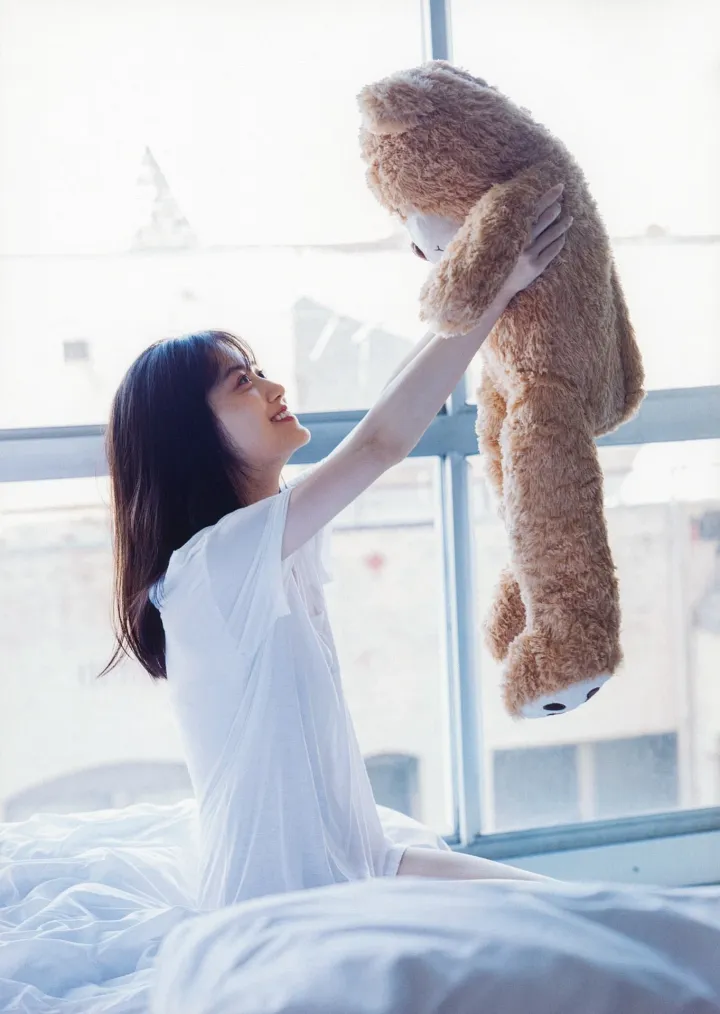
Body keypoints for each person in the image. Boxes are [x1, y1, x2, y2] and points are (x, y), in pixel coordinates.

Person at [104, 185, 571, 909]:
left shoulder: (271, 539)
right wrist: (495, 292)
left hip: (363, 863)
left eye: (259, 371)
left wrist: (481, 291)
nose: (273, 387)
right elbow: (381, 441)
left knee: (587, 911)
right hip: (285, 902)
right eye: (243, 382)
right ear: (190, 438)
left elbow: (385, 411)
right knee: (595, 930)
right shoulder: (210, 567)